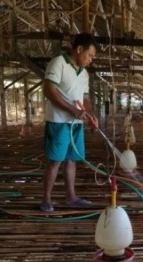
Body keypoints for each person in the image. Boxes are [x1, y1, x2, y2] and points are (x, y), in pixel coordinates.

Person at [40, 33, 97, 212]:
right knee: (55, 160)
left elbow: (85, 98)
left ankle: (71, 196)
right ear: (79, 49)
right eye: (90, 55)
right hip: (58, 121)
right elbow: (49, 91)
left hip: (76, 124)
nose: (91, 60)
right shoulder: (59, 63)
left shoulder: (84, 74)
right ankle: (46, 199)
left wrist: (90, 114)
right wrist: (72, 110)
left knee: (71, 160)